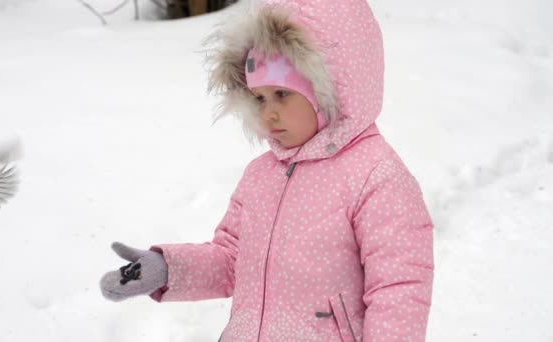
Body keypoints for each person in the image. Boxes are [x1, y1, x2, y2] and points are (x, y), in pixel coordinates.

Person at [100, 0, 434, 341]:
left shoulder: (376, 176)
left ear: (331, 88)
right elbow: (231, 260)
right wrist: (167, 268)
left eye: (282, 94)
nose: (268, 114)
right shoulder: (262, 175)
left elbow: (399, 288)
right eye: (259, 98)